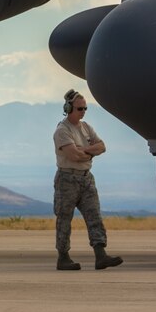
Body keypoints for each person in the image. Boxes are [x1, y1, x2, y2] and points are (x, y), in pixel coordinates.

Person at [53, 89, 123, 271]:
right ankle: (63, 257)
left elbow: (102, 146)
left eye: (85, 108)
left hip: (86, 179)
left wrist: (84, 151)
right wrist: (89, 152)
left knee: (94, 217)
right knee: (64, 219)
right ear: (68, 108)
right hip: (67, 179)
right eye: (79, 108)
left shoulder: (86, 127)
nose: (83, 112)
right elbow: (74, 155)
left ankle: (101, 256)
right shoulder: (62, 130)